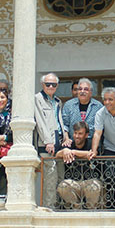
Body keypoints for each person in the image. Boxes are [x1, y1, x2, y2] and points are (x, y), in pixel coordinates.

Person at [34, 73, 70, 207]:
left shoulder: (57, 101)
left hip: (58, 142)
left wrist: (66, 136)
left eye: (53, 84)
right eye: (47, 84)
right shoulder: (37, 99)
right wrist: (47, 141)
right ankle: (49, 209)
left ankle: (60, 207)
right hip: (46, 144)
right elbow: (40, 121)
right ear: (43, 85)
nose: (50, 87)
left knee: (60, 178)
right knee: (50, 178)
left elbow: (58, 120)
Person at [57, 121, 101, 209]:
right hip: (74, 182)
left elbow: (91, 153)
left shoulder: (91, 144)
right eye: (75, 133)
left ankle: (91, 211)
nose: (77, 136)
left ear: (86, 135)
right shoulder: (69, 144)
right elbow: (57, 155)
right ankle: (76, 208)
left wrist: (73, 152)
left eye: (80, 134)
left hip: (90, 181)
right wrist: (64, 151)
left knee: (93, 187)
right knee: (62, 186)